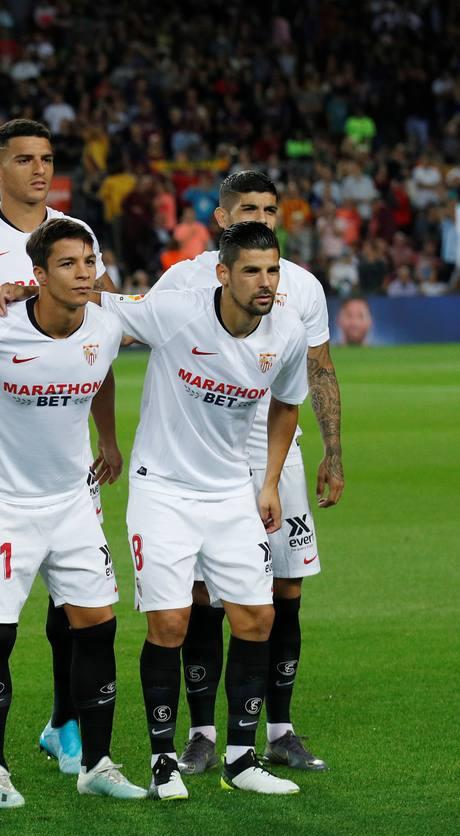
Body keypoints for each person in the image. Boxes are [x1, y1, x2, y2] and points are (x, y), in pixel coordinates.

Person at [0, 118, 121, 780]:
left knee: (73, 592)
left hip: (61, 430)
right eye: (25, 159)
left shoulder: (77, 236)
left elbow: (96, 338)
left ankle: (65, 723)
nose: (40, 170)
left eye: (47, 159)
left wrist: (108, 433)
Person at [105, 222, 309, 798]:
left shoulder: (287, 330)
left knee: (257, 618)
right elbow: (105, 306)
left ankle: (242, 759)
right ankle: (163, 760)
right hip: (162, 490)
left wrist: (268, 482)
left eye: (272, 269)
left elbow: (287, 406)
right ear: (223, 273)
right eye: (251, 270)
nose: (265, 281)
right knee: (170, 623)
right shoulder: (175, 312)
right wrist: (28, 294)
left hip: (229, 492)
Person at [151, 171, 343, 774]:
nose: (257, 215)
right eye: (245, 208)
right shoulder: (183, 279)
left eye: (268, 207)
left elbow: (319, 371)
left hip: (276, 457)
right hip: (205, 457)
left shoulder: (301, 287)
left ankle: (280, 729)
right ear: (220, 218)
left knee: (286, 589)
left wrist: (332, 451)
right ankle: (204, 733)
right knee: (205, 594)